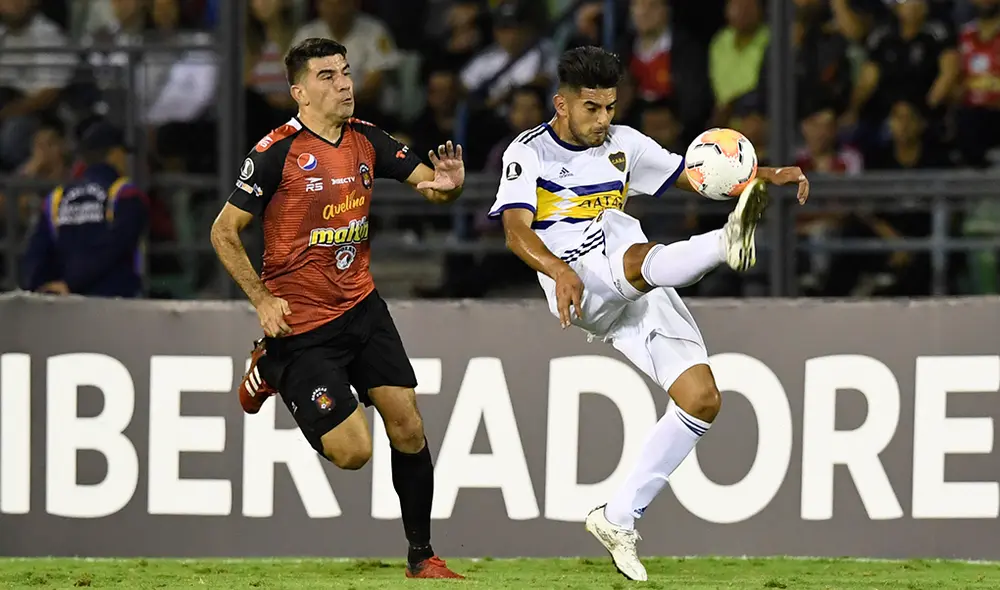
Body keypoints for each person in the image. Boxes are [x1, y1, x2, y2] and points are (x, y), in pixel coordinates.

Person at [488, 46, 810, 581]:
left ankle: (617, 517)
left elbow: (696, 176)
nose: (604, 119)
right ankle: (724, 243)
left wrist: (766, 173)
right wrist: (556, 270)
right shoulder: (528, 153)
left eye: (611, 107)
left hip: (635, 282)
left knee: (701, 399)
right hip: (575, 277)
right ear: (561, 105)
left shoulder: (626, 144)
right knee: (621, 233)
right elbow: (516, 230)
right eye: (592, 108)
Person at [209, 38, 464, 580]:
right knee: (353, 454)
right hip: (302, 326)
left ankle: (422, 557)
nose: (344, 83)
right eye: (327, 76)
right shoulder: (275, 153)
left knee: (409, 427)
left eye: (346, 72)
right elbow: (223, 231)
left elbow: (432, 187)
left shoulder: (367, 140)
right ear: (299, 92)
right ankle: (270, 366)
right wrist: (261, 297)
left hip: (362, 308)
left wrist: (448, 185)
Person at [20, 121, 148, 298]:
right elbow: (115, 248)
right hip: (117, 301)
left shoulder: (56, 198)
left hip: (63, 303)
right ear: (115, 154)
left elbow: (37, 251)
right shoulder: (125, 193)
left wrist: (40, 288)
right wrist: (72, 283)